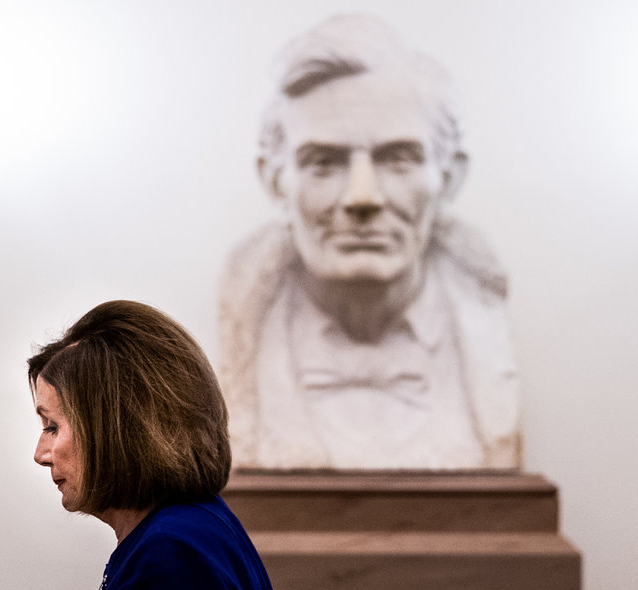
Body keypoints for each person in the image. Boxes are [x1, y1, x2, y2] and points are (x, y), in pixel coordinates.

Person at [219, 14, 521, 470]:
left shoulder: (477, 330)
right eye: (324, 163)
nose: (363, 197)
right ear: (274, 180)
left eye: (398, 159)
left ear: (450, 176)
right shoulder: (252, 332)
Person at [29, 300, 279, 590]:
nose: (40, 454)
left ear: (115, 427)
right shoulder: (193, 526)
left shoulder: (168, 554)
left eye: (52, 426)